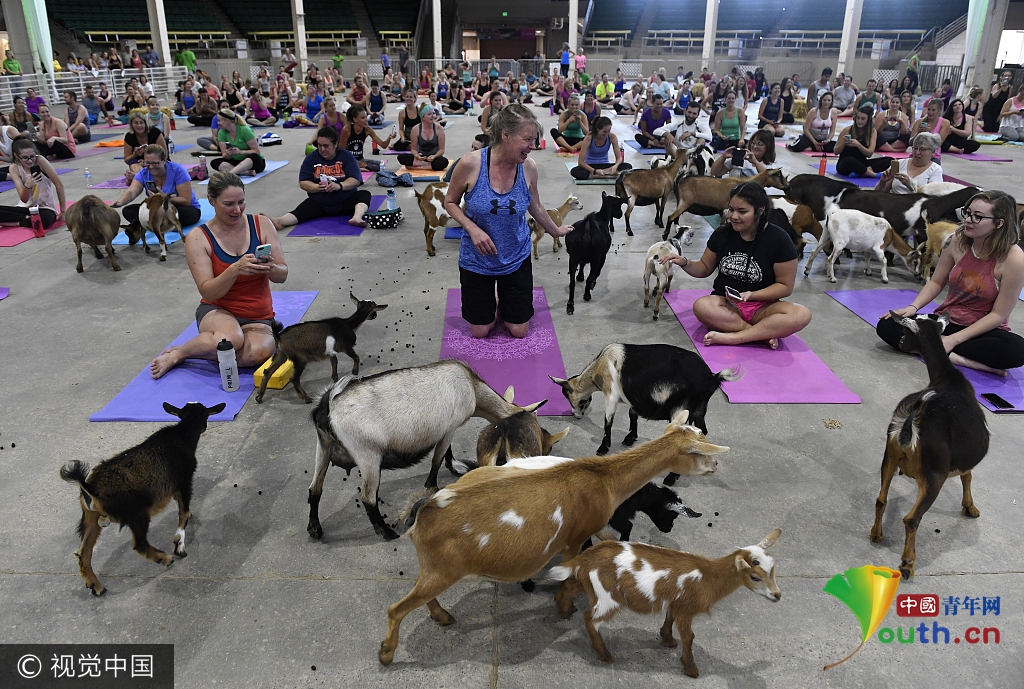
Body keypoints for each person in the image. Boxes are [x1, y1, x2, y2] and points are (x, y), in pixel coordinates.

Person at [444, 104, 573, 339]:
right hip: (478, 260)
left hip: (516, 257)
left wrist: (556, 231)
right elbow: (450, 202)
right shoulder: (470, 164)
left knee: (519, 330)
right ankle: (493, 296)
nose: (533, 147)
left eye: (534, 140)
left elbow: (535, 206)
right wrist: (472, 229)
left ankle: (506, 295)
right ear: (505, 135)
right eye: (527, 139)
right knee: (481, 331)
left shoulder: (529, 169)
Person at [150, 172, 286, 379]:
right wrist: (235, 269)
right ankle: (180, 353)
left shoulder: (262, 224)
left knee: (255, 355)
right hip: (217, 309)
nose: (237, 210)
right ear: (211, 201)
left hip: (258, 315)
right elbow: (209, 292)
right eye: (229, 204)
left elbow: (282, 275)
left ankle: (208, 348)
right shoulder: (198, 237)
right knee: (231, 340)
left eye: (241, 202)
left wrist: (271, 267)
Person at [877, 190, 1024, 374]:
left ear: (998, 223)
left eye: (977, 217)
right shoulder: (958, 239)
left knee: (1016, 350)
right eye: (967, 212)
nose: (968, 220)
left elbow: (998, 315)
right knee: (887, 325)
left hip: (983, 330)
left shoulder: (1014, 259)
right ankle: (959, 358)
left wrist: (953, 340)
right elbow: (937, 282)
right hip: (948, 321)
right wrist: (913, 307)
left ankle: (935, 348)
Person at [659, 181, 809, 348]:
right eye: (731, 209)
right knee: (702, 306)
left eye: (742, 211)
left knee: (801, 314)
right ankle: (759, 334)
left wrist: (752, 295)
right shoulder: (722, 234)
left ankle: (734, 337)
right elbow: (704, 268)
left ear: (760, 211)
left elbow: (784, 286)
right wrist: (684, 262)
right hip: (726, 305)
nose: (734, 216)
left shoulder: (780, 239)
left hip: (763, 306)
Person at [271, 125, 372, 232]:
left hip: (345, 201)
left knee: (364, 194)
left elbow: (356, 179)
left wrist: (338, 186)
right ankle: (280, 221)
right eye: (319, 145)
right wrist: (318, 187)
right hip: (320, 203)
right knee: (303, 209)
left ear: (336, 144)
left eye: (326, 146)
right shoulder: (311, 158)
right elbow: (303, 182)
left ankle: (356, 217)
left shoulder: (346, 156)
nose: (322, 149)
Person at [112, 144, 202, 228]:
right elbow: (132, 192)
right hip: (157, 209)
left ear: (164, 160)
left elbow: (186, 200)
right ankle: (162, 224)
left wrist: (164, 198)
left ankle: (155, 224)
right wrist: (121, 202)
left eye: (155, 163)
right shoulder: (144, 173)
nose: (151, 167)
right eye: (147, 163)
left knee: (186, 214)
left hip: (180, 208)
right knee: (128, 211)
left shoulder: (178, 171)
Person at [0, 139, 66, 229]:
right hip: (26, 208)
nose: (30, 161)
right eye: (25, 158)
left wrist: (63, 211)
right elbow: (24, 199)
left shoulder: (40, 160)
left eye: (32, 156)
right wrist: (27, 185)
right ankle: (28, 219)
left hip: (45, 208)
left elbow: (59, 185)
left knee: (45, 219)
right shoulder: (14, 168)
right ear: (16, 156)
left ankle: (17, 222)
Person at [834, 105, 891, 178]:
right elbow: (835, 151)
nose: (859, 121)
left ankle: (864, 171)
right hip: (846, 164)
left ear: (868, 120)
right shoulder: (848, 130)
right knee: (849, 160)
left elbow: (869, 154)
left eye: (863, 119)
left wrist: (858, 145)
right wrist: (843, 143)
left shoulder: (872, 132)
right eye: (858, 118)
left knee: (889, 160)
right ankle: (872, 174)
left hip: (862, 163)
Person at [875, 132, 943, 193]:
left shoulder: (935, 169)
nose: (917, 152)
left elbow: (933, 195)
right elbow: (879, 193)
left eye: (922, 149)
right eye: (915, 148)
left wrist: (911, 185)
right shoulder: (900, 163)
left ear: (933, 152)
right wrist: (882, 182)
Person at [571, 116, 630, 180]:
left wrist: (615, 166)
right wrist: (594, 171)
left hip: (605, 165)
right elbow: (581, 162)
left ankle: (597, 175)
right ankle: (604, 175)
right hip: (591, 166)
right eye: (604, 132)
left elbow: (619, 158)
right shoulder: (589, 138)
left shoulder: (612, 137)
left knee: (627, 166)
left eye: (608, 131)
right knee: (575, 171)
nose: (607, 134)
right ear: (598, 129)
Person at [339, 105, 394, 172]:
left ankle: (358, 167)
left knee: (380, 165)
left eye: (366, 117)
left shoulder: (367, 130)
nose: (366, 120)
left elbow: (383, 145)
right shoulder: (347, 130)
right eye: (362, 118)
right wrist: (356, 162)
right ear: (355, 119)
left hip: (360, 160)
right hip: (347, 160)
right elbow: (342, 152)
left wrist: (389, 138)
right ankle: (357, 167)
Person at [212, 110, 265, 176]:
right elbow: (225, 155)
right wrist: (228, 154)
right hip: (236, 161)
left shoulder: (245, 130)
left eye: (219, 121)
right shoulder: (221, 133)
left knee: (254, 156)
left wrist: (241, 152)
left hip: (251, 162)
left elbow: (257, 151)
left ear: (227, 121)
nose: (218, 123)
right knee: (215, 162)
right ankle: (245, 172)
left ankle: (230, 174)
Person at [396, 105, 448, 171]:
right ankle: (428, 166)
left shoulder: (439, 129)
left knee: (443, 162)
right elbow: (413, 150)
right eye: (429, 114)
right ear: (423, 117)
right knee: (401, 157)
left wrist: (434, 156)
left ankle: (420, 166)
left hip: (434, 158)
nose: (433, 116)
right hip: (420, 158)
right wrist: (417, 155)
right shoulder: (416, 129)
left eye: (434, 113)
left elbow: (441, 150)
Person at [710, 129, 776, 178]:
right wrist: (723, 157)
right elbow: (714, 172)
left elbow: (768, 178)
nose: (755, 146)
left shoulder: (770, 166)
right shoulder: (741, 157)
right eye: (753, 142)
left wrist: (755, 162)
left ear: (768, 147)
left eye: (760, 144)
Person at [122, 114, 168, 184]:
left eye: (141, 123)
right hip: (139, 161)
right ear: (132, 125)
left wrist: (147, 162)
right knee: (133, 164)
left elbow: (164, 154)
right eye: (136, 123)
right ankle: (138, 176)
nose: (139, 125)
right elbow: (126, 159)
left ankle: (136, 177)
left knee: (156, 167)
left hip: (156, 160)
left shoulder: (155, 132)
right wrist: (135, 154)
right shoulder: (129, 136)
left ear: (145, 123)